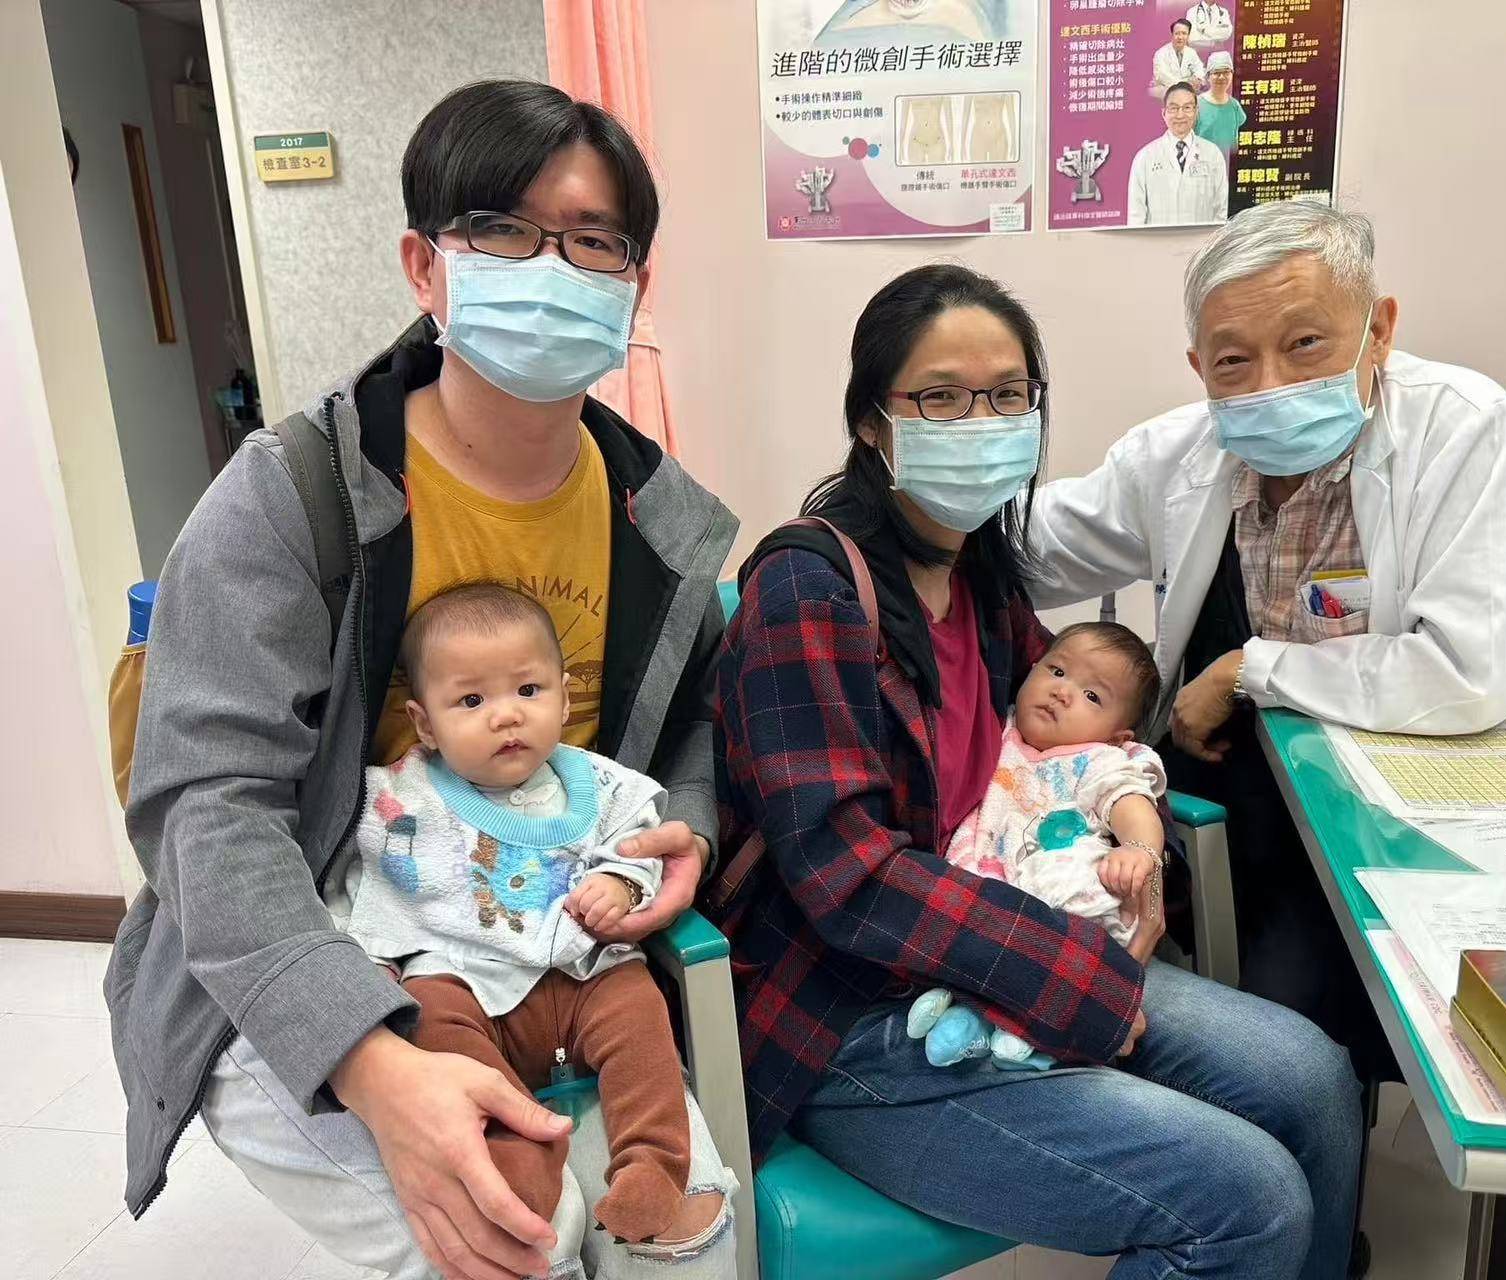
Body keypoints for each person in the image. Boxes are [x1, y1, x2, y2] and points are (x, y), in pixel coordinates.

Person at [109, 79, 738, 1280]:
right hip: (319, 941)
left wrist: (687, 826)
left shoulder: (659, 521)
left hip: (554, 943)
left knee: (689, 1244)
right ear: (423, 264)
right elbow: (206, 806)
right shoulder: (294, 497)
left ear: (634, 283)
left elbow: (696, 721)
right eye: (501, 230)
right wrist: (369, 1058)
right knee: (520, 1245)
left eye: (593, 240)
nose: (550, 266)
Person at [715, 262, 1363, 1279]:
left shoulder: (978, 573)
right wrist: (1078, 976)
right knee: (1247, 1202)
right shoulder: (808, 590)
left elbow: (1080, 744)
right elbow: (848, 876)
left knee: (1316, 1081)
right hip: (859, 1011)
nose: (981, 421)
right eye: (940, 396)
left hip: (1007, 937)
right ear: (874, 421)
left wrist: (1136, 833)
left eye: (1007, 393)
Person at [1027, 200, 1506, 1078]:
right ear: (1198, 366)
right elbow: (1026, 548)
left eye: (1305, 343)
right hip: (1227, 802)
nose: (1269, 386)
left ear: (1378, 330)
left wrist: (1247, 668)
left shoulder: (1461, 426)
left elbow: (1469, 672)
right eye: (1233, 360)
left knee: (1306, 1032)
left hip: (1387, 804)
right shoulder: (1179, 451)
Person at [341, 583, 692, 1247]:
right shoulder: (399, 800)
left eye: (528, 691)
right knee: (428, 1017)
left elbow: (640, 842)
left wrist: (619, 882)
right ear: (424, 723)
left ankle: (653, 1163)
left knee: (639, 1008)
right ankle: (518, 1158)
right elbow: (361, 880)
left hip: (584, 972)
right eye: (472, 701)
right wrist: (373, 961)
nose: (506, 716)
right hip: (465, 981)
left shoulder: (599, 783)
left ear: (563, 697)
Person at [910, 621, 1169, 1070]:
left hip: (1064, 910)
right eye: (1057, 671)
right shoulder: (998, 728)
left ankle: (1029, 1043)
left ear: (1118, 736)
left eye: (1093, 696)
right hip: (988, 893)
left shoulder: (1097, 759)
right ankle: (964, 1015)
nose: (1063, 693)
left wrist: (1140, 851)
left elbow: (1131, 802)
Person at [1128, 83, 1229, 226]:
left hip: (1202, 239)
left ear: (1196, 111)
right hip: (1158, 239)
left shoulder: (1213, 154)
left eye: (1187, 108)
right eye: (1174, 108)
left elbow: (1221, 209)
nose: (1180, 115)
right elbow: (1136, 216)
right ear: (1164, 113)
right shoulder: (1145, 157)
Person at [1196, 51, 1247, 159]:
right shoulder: (1196, 105)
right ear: (1208, 76)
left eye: (1226, 72)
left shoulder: (1234, 105)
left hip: (1228, 161)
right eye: (1216, 73)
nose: (1222, 77)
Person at [1151, 18, 1207, 96]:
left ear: (1188, 35)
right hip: (1167, 90)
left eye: (1184, 33)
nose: (1180, 37)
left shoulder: (1191, 52)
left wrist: (1197, 79)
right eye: (1177, 33)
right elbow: (1162, 76)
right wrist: (1185, 84)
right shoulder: (1161, 53)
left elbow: (1199, 68)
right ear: (1172, 34)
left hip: (1188, 90)